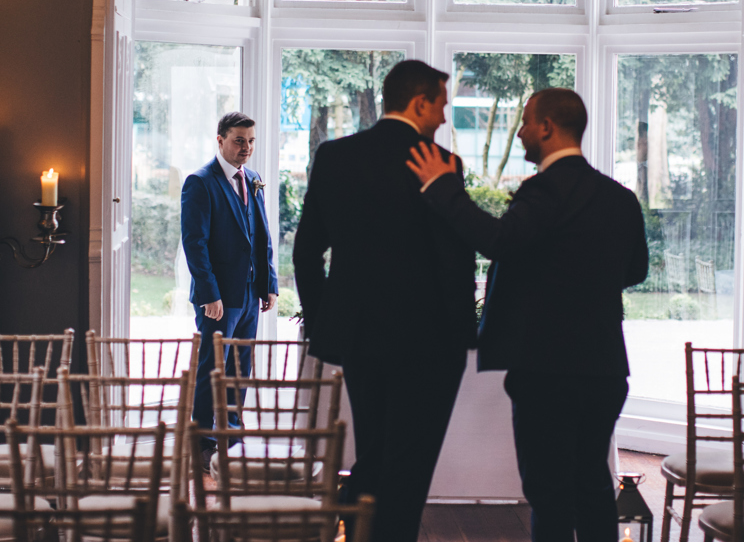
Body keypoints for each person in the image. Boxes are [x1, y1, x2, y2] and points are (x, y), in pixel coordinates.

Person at [407, 87, 649, 542]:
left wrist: (442, 189)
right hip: (603, 367)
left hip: (546, 370)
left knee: (550, 493)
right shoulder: (620, 198)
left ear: (547, 128)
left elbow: (497, 240)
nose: (519, 132)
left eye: (524, 122)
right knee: (594, 485)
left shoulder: (542, 192)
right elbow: (635, 270)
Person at [293, 59, 476, 542]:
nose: (443, 116)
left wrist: (324, 325)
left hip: (359, 339)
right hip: (428, 346)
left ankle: (357, 533)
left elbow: (307, 250)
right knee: (409, 467)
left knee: (374, 453)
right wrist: (463, 341)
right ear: (419, 103)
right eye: (440, 104)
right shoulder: (440, 164)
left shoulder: (334, 156)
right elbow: (456, 265)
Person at [180, 111, 278, 466]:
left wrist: (269, 284)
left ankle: (231, 438)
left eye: (251, 141)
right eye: (239, 140)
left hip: (251, 294)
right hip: (219, 298)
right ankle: (202, 443)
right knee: (213, 368)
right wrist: (209, 295)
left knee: (240, 368)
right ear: (220, 139)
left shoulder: (252, 179)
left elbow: (262, 235)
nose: (246, 148)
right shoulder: (200, 182)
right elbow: (195, 243)